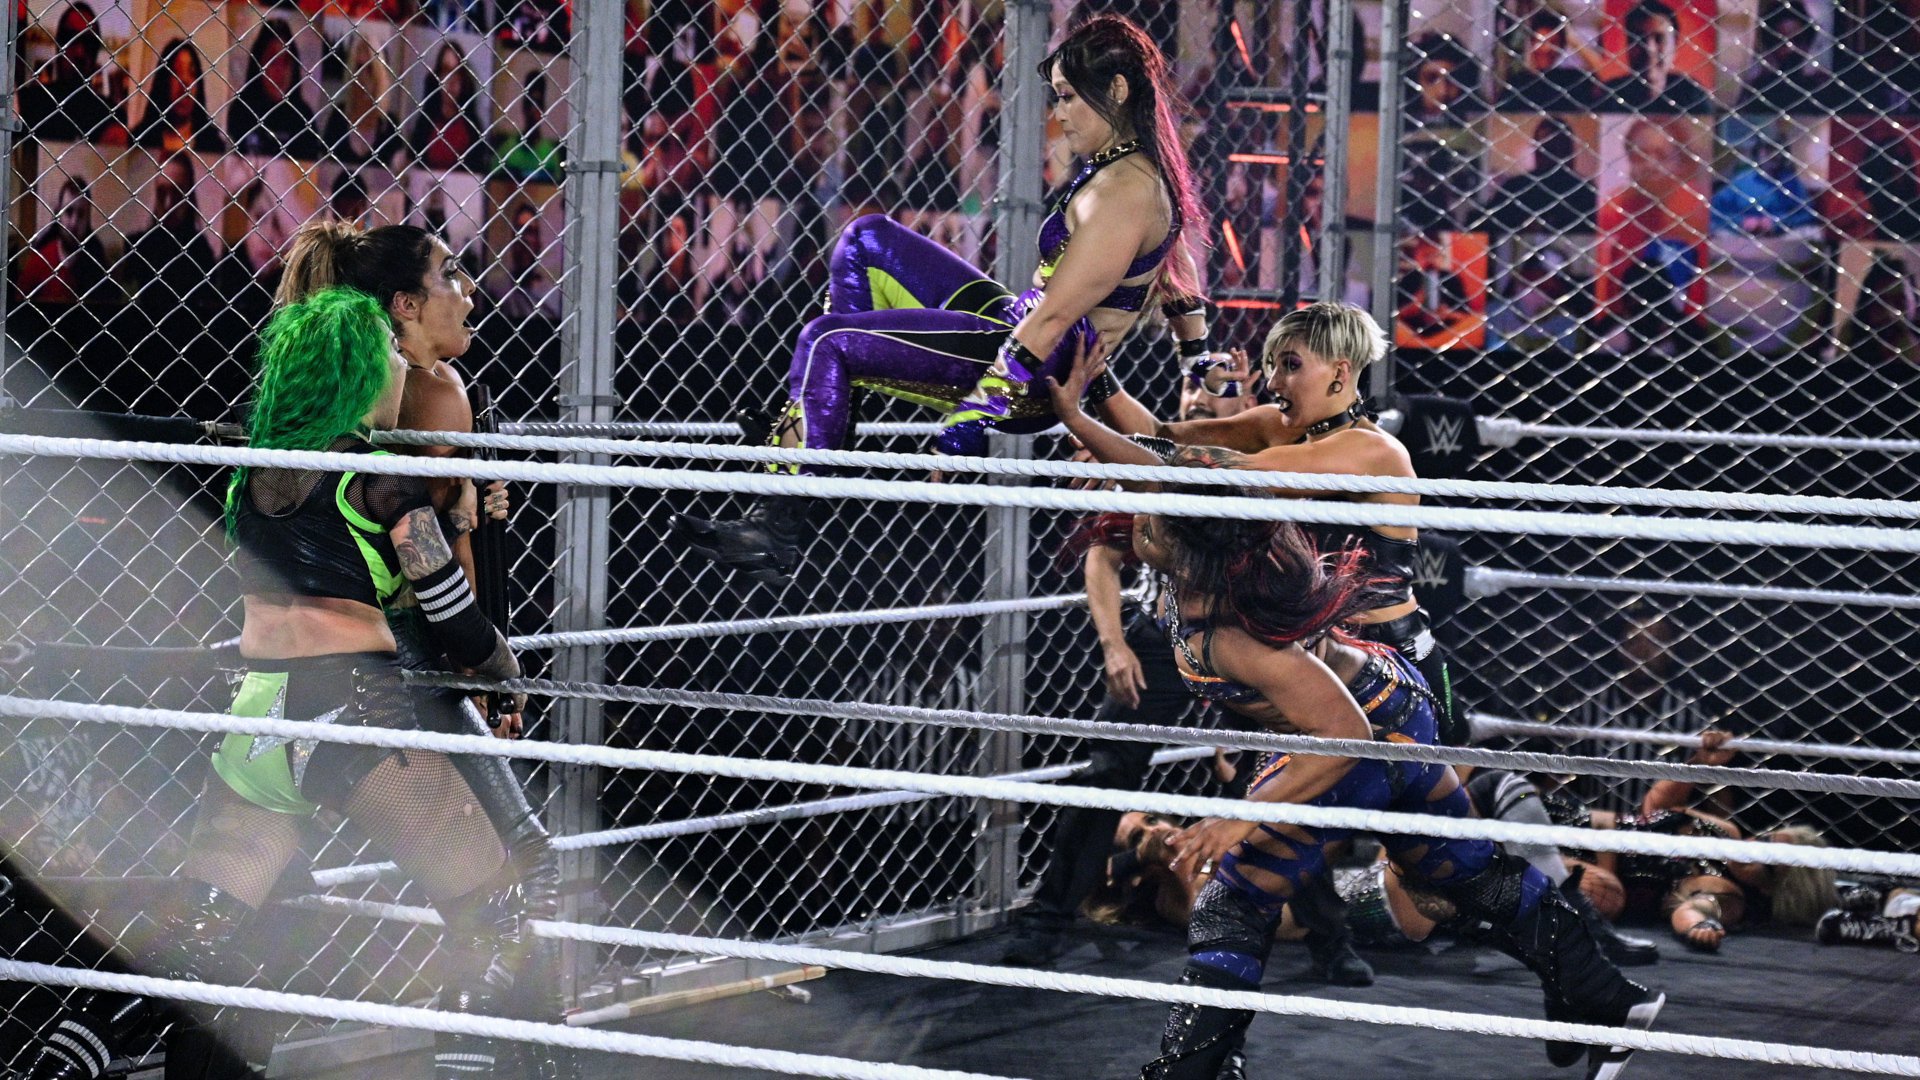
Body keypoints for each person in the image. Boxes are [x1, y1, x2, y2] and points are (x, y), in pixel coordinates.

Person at [1040, 382, 1662, 1077]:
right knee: (1461, 871)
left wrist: (1238, 817)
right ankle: (1604, 997)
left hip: (1359, 735)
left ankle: (1196, 1069)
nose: (1136, 514)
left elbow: (1344, 734)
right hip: (1389, 705)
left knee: (1234, 899)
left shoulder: (1228, 634)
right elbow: (1167, 468)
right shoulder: (1222, 551)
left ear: (1180, 548)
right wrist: (1077, 413)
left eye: (1151, 516)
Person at [10, 289, 539, 1080]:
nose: (401, 364)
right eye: (388, 351)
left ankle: (51, 1070)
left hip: (258, 720)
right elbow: (456, 625)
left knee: (191, 943)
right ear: (357, 369)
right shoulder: (378, 477)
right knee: (492, 916)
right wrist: (503, 663)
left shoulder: (253, 478)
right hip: (354, 717)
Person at [669, 14, 1211, 586]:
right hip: (1018, 326)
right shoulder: (1128, 172)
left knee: (824, 342)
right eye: (1057, 97)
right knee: (865, 240)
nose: (1058, 114)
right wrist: (1196, 359)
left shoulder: (1127, 190)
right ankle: (823, 425)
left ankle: (778, 527)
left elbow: (1054, 316)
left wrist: (973, 416)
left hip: (1033, 370)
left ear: (1117, 90)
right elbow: (1177, 270)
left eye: (1070, 97)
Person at [274, 225, 568, 1077]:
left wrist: (466, 500)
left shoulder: (374, 390)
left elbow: (428, 541)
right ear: (403, 308)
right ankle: (521, 1057)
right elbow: (425, 556)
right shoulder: (421, 393)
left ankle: (535, 1054)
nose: (470, 290)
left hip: (356, 661)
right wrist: (483, 658)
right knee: (508, 885)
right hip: (390, 660)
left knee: (507, 880)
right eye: (453, 275)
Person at [1090, 303, 1464, 748]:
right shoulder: (1279, 427)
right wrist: (1092, 370)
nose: (1272, 383)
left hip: (1385, 651)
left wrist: (1120, 448)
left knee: (1421, 782)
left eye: (1290, 365)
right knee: (1281, 776)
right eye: (1272, 366)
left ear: (1339, 372)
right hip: (1303, 646)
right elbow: (1163, 433)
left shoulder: (1375, 452)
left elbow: (1231, 474)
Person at [1550, 731, 1838, 953]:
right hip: (1573, 823)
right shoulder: (1725, 831)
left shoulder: (1726, 892)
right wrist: (1700, 763)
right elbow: (1655, 807)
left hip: (1584, 869)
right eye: (1765, 840)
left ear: (1770, 888)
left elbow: (1698, 909)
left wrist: (1699, 927)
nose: (1755, 849)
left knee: (1606, 893)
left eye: (1769, 861)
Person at [17, 2, 123, 141]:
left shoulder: (111, 116)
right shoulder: (30, 104)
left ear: (95, 51)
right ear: (59, 46)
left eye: (88, 42)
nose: (80, 52)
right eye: (72, 39)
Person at [1482, 116, 1597, 235]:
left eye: (1555, 146)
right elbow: (1488, 223)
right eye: (1544, 146)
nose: (1549, 153)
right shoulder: (1516, 187)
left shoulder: (1584, 191)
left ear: (1568, 149)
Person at [226, 18, 322, 159]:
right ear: (259, 64)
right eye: (273, 60)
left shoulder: (304, 117)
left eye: (286, 61)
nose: (280, 71)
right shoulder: (241, 111)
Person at [1596, 0, 1713, 115]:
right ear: (1628, 45)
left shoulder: (1692, 95)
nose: (1649, 49)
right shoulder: (1609, 95)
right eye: (1639, 39)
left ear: (1675, 47)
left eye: (1659, 39)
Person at [1497, 7, 1601, 113]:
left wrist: (1574, 41)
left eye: (1553, 42)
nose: (1545, 49)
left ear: (1561, 46)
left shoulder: (1571, 81)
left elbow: (1604, 76)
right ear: (1532, 42)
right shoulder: (1517, 83)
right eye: (1540, 41)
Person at [130, 38, 226, 152]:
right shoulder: (141, 139)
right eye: (176, 71)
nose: (185, 82)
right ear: (163, 81)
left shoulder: (212, 144)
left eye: (192, 73)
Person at [405, 43, 487, 173]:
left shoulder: (472, 127)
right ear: (438, 76)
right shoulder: (425, 122)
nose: (451, 80)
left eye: (457, 72)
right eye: (446, 71)